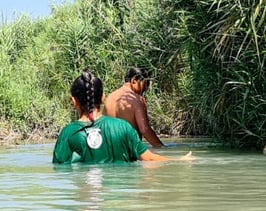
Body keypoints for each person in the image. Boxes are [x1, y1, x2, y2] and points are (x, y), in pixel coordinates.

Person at [53, 69, 189, 164]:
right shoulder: (124, 128)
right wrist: (180, 160)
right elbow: (149, 159)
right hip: (121, 198)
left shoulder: (68, 133)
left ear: (74, 101)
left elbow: (61, 171)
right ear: (102, 98)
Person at [104, 67, 164, 148]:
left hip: (110, 150)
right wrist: (161, 146)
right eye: (145, 84)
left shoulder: (109, 98)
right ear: (134, 80)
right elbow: (145, 130)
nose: (145, 89)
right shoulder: (136, 99)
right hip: (129, 151)